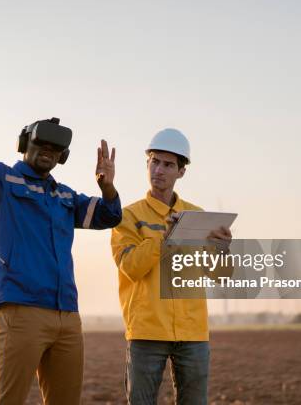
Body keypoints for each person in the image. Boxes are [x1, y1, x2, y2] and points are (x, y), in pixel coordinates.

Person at [0, 59, 122, 404]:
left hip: (68, 315)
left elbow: (110, 215)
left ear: (61, 156)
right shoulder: (3, 182)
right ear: (25, 145)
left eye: (55, 149)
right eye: (41, 145)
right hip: (21, 311)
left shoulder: (65, 197)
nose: (47, 153)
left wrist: (107, 185)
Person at [110, 128, 233, 404]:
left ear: (181, 172)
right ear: (147, 164)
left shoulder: (198, 217)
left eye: (168, 165)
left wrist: (222, 250)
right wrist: (164, 240)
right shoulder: (128, 216)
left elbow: (220, 275)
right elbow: (130, 266)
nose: (159, 170)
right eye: (155, 162)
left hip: (193, 332)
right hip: (147, 330)